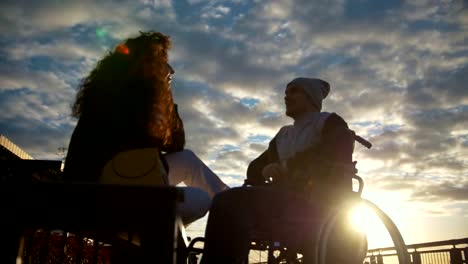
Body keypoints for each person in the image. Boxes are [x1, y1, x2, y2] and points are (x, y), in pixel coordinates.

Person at [63, 31, 229, 225]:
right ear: (147, 64)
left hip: (120, 182)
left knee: (187, 160)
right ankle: (233, 207)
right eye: (164, 63)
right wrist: (165, 97)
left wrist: (165, 100)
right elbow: (168, 143)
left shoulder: (109, 93)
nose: (171, 72)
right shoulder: (131, 98)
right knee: (199, 199)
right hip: (106, 195)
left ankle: (233, 203)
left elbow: (176, 146)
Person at [200, 78, 367, 264]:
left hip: (320, 204)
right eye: (286, 92)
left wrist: (288, 166)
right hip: (285, 204)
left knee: (230, 201)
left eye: (294, 91)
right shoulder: (283, 135)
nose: (286, 96)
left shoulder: (329, 121)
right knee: (227, 202)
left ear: (311, 96)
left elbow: (337, 149)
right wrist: (265, 170)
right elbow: (254, 169)